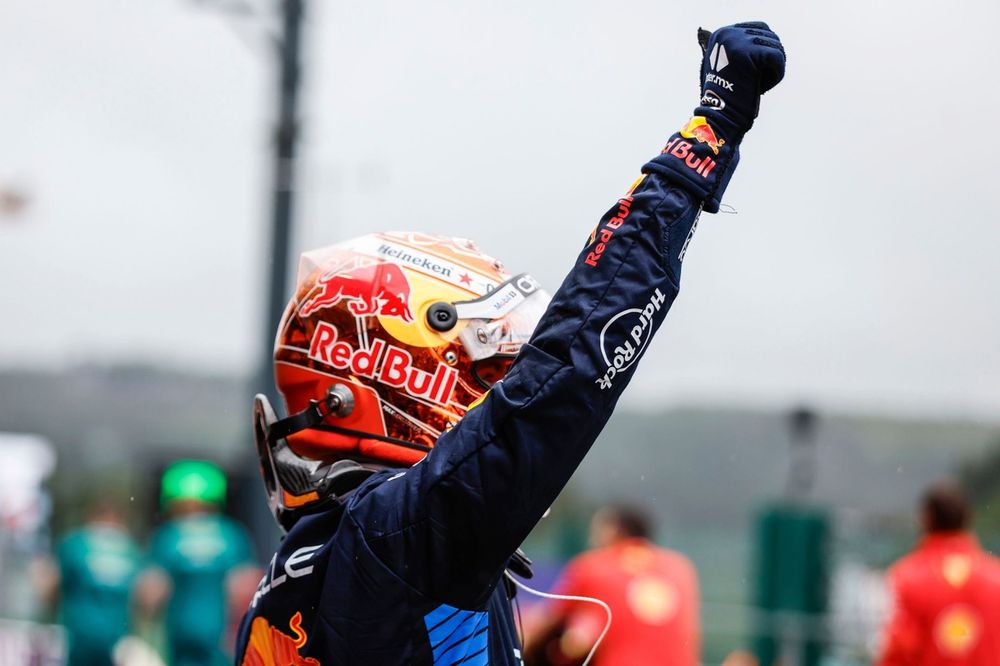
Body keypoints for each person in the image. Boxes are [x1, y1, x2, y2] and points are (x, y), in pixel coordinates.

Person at [238, 22, 786, 665]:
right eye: (476, 362)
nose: (492, 386)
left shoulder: (321, 559)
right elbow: (570, 369)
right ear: (389, 367)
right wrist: (706, 140)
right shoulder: (400, 538)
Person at [523, 506, 700, 666]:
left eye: (596, 532)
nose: (592, 540)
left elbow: (546, 622)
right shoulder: (681, 568)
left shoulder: (593, 567)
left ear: (613, 531)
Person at [136, 460, 258, 666]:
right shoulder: (231, 535)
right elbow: (246, 590)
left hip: (180, 638)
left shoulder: (168, 536)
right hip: (220, 638)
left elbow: (150, 593)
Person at [877, 481, 1000, 665]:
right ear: (968, 519)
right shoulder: (995, 577)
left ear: (927, 518)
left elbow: (898, 651)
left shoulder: (906, 577)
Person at [39, 500, 141, 666]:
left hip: (80, 634)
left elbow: (51, 588)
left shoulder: (77, 543)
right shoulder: (129, 549)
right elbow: (143, 596)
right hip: (114, 635)